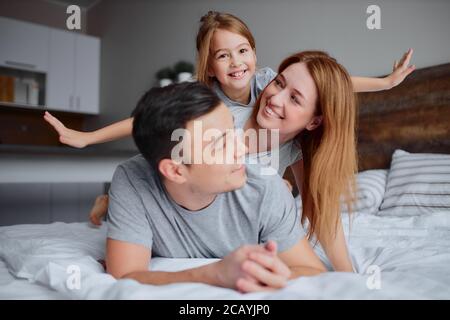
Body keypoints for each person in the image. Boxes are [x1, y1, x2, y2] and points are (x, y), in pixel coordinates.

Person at [44, 12, 415, 271]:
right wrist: (89, 137)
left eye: (243, 51)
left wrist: (384, 83)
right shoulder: (219, 109)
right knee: (149, 177)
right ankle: (113, 201)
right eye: (279, 84)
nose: (275, 95)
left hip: (227, 203)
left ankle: (113, 201)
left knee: (281, 189)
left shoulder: (283, 124)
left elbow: (330, 84)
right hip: (182, 188)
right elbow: (148, 121)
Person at [106, 81, 326, 292]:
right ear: (175, 171)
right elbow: (126, 276)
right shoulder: (132, 179)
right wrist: (213, 274)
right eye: (221, 144)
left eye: (233, 131)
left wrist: (260, 273)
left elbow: (313, 272)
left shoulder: (265, 187)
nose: (241, 149)